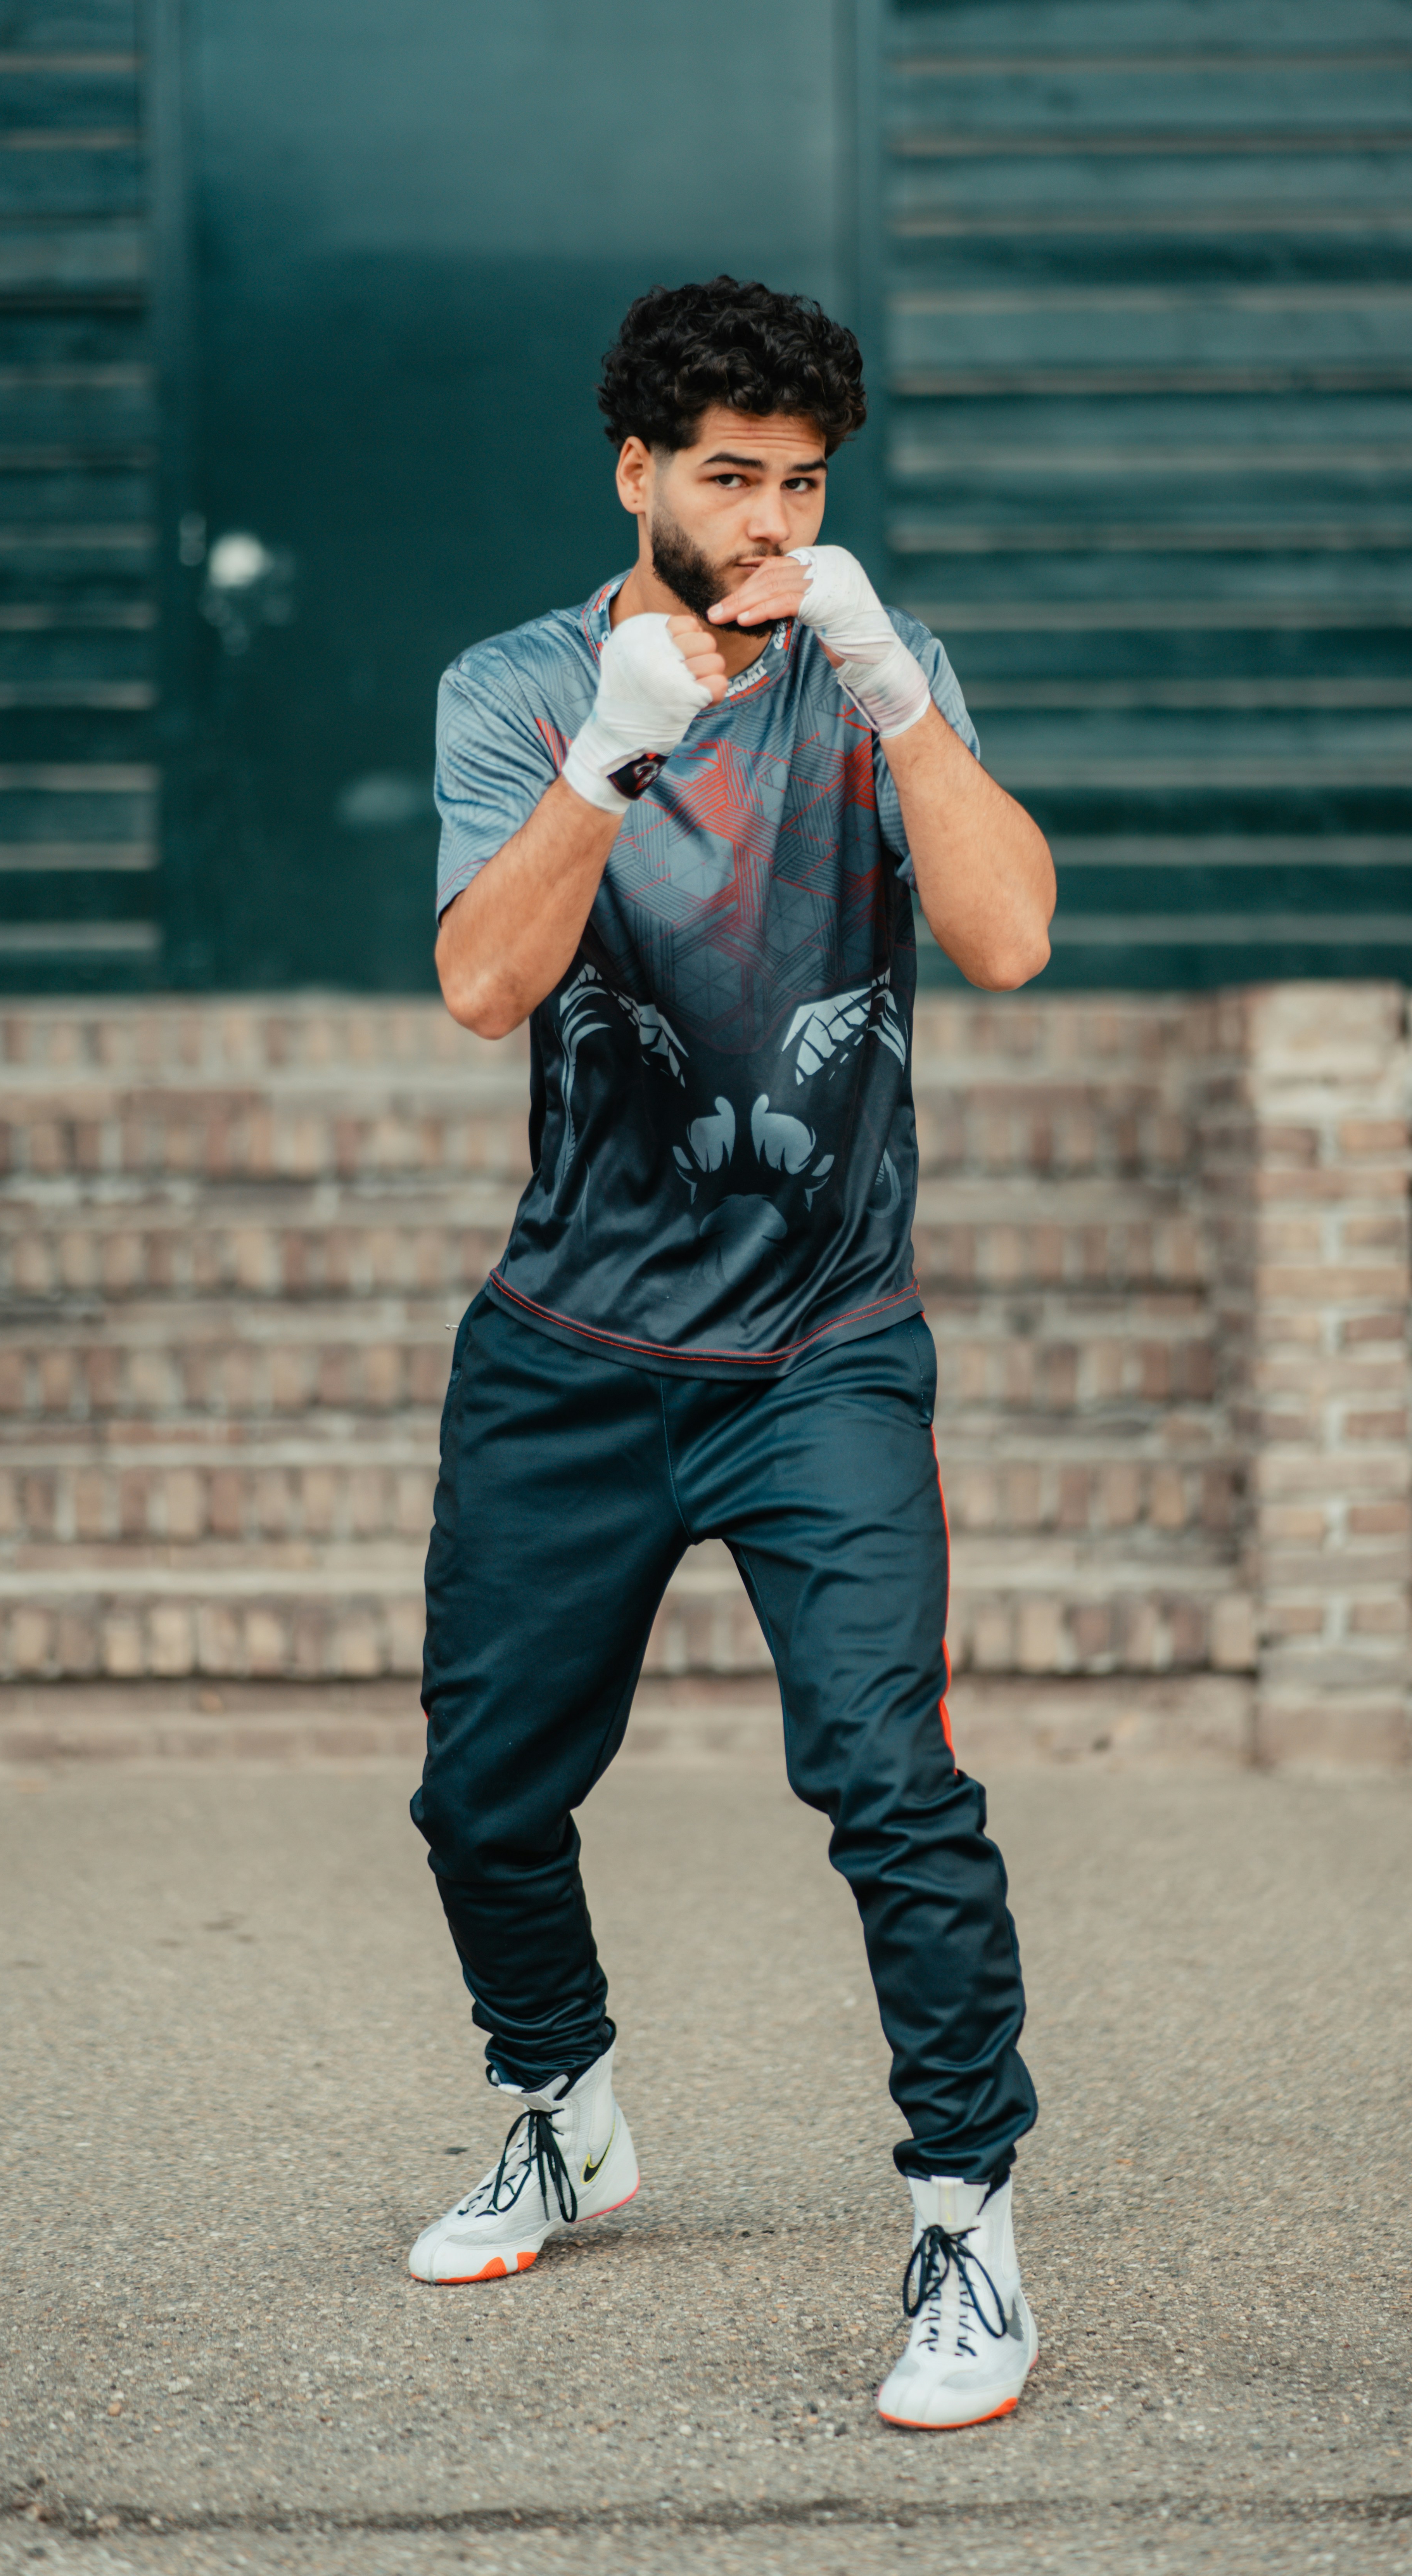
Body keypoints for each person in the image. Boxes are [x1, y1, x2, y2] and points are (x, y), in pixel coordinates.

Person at [407, 276, 1056, 2432]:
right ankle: (564, 2102)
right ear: (636, 472)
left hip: (820, 1346)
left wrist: (896, 699)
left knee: (892, 1783)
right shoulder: (512, 687)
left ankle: (968, 2221)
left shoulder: (877, 673)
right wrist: (609, 746)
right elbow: (487, 984)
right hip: (571, 1343)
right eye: (730, 481)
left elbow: (1009, 936)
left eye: (803, 485)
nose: (773, 524)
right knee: (485, 1796)